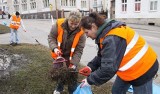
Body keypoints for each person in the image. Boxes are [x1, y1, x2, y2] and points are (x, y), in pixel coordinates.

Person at [79, 12, 159, 94]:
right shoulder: (104, 34)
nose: (87, 36)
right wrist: (90, 67)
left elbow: (108, 69)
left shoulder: (112, 38)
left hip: (143, 69)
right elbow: (102, 56)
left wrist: (89, 81)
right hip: (128, 71)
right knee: (117, 91)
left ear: (93, 27)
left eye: (86, 32)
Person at [48, 10, 86, 94]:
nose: (73, 26)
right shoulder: (59, 24)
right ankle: (59, 89)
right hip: (59, 55)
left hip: (72, 57)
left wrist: (74, 64)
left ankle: (73, 91)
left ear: (79, 22)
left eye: (75, 24)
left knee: (72, 75)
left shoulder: (82, 33)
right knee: (60, 73)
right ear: (68, 19)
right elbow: (51, 37)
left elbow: (79, 50)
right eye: (71, 23)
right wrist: (55, 48)